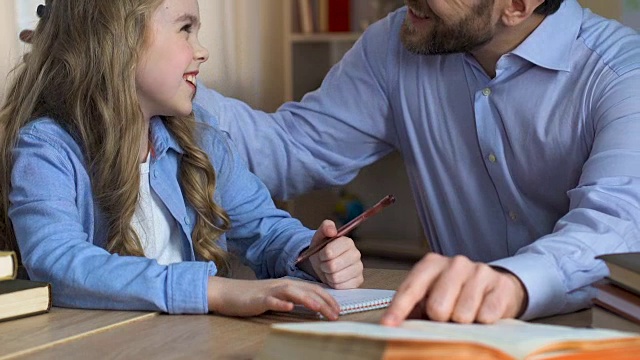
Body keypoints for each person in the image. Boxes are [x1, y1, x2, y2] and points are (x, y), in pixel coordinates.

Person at [192, 0, 640, 325]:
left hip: (595, 332)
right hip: (453, 333)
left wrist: (513, 283)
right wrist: (167, 83)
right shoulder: (394, 44)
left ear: (518, 6)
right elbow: (293, 148)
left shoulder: (622, 74)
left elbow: (616, 227)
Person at [0, 0, 365, 319]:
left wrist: (310, 253)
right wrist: (215, 291)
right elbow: (57, 264)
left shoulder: (199, 133)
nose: (202, 50)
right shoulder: (46, 148)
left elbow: (266, 229)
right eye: (185, 29)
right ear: (119, 39)